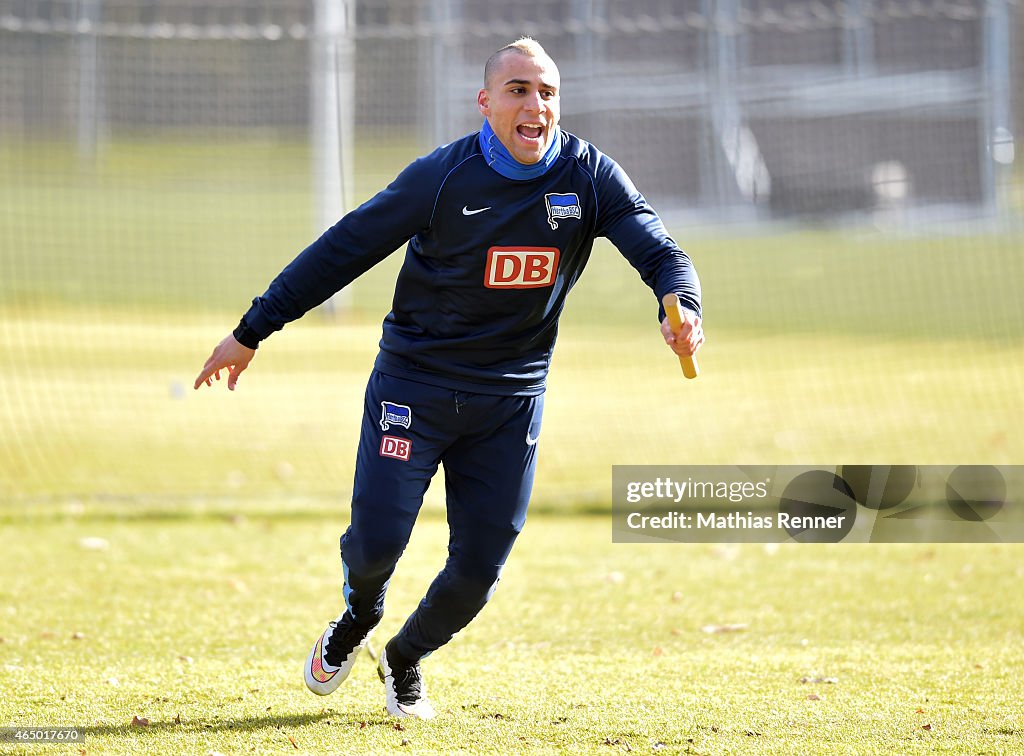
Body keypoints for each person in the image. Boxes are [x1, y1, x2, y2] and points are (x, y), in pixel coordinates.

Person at [194, 37, 703, 720]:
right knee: (375, 545)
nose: (535, 105)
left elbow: (660, 250)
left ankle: (405, 658)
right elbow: (344, 249)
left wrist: (683, 305)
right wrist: (252, 330)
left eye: (547, 92)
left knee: (476, 577)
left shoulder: (589, 178)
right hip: (415, 385)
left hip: (509, 401)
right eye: (518, 90)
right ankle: (360, 615)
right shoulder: (441, 177)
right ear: (486, 102)